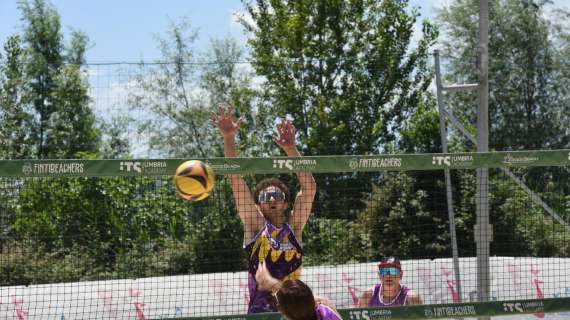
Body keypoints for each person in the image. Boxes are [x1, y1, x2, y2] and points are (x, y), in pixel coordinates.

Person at [211, 104, 317, 314]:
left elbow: (310, 188)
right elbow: (235, 178)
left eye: (276, 195)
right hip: (262, 313)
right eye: (264, 196)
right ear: (258, 204)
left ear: (285, 203)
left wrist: (290, 150)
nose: (271, 199)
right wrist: (229, 137)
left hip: (296, 313)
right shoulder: (255, 225)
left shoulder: (294, 228)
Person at [255, 262, 342, 320]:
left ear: (283, 311)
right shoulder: (326, 310)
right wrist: (274, 283)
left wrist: (272, 283)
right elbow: (300, 298)